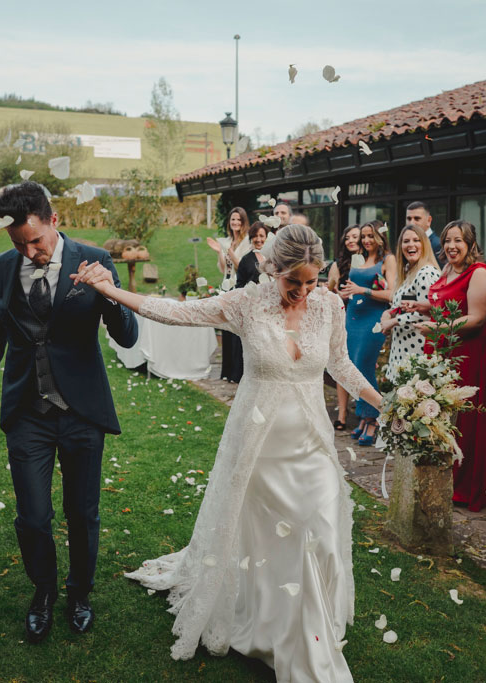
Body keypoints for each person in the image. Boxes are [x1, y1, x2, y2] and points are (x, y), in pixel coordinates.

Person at [74, 224, 380, 681]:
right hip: (259, 445)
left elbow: (340, 364)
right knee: (275, 537)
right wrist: (110, 290)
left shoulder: (329, 305)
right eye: (292, 281)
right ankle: (281, 630)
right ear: (273, 270)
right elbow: (174, 312)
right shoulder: (245, 303)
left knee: (322, 531)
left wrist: (385, 402)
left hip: (312, 443)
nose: (301, 291)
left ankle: (313, 623)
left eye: (310, 281)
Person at [0, 182, 138, 643]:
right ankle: (42, 593)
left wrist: (107, 292)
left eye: (36, 241)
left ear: (54, 221)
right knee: (33, 515)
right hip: (28, 410)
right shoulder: (2, 268)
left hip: (82, 410)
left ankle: (79, 594)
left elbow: (127, 337)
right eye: (19, 243)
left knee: (82, 513)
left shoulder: (96, 259)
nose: (30, 251)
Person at [421, 220, 486, 511]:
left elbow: (476, 319)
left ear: (470, 243)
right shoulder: (448, 270)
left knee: (467, 420)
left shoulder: (479, 273)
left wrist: (436, 328)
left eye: (458, 240)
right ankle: (449, 477)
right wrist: (421, 309)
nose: (451, 246)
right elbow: (447, 303)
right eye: (447, 241)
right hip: (446, 352)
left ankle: (470, 484)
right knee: (446, 416)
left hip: (471, 354)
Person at [340, 220, 396, 446]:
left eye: (370, 236)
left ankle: (373, 419)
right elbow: (352, 286)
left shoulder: (388, 259)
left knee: (364, 365)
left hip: (373, 320)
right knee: (353, 365)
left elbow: (392, 294)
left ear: (380, 236)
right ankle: (364, 417)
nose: (366, 240)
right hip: (352, 316)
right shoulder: (359, 258)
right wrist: (345, 293)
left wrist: (363, 290)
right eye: (363, 236)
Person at [379, 224, 440, 383]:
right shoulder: (406, 271)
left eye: (416, 240)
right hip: (402, 349)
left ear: (424, 245)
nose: (411, 245)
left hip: (417, 351)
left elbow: (426, 312)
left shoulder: (426, 272)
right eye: (406, 241)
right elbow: (403, 306)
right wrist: (388, 313)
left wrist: (393, 321)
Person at [206, 207, 251, 382]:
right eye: (233, 220)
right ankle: (228, 371)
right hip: (227, 287)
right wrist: (220, 252)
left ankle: (238, 372)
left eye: (239, 220)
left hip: (240, 289)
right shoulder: (227, 241)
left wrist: (230, 253)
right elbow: (224, 269)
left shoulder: (247, 242)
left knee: (237, 331)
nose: (235, 223)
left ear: (244, 222)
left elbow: (243, 268)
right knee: (227, 329)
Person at [327, 225, 362, 430]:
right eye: (347, 237)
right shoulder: (338, 264)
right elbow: (330, 292)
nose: (350, 241)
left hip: (364, 318)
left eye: (354, 237)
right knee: (342, 364)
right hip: (344, 318)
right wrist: (338, 295)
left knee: (359, 366)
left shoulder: (370, 263)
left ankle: (362, 407)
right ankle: (341, 412)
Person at [406, 201, 442, 268]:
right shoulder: (405, 245)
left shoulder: (437, 245)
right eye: (409, 219)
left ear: (429, 220)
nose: (411, 223)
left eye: (417, 219)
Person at [234, 222, 267, 288]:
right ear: (251, 238)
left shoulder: (272, 256)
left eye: (261, 236)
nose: (258, 239)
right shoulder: (245, 260)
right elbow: (239, 285)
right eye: (255, 236)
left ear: (266, 237)